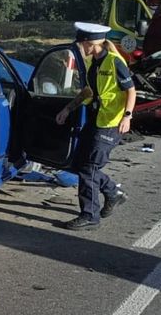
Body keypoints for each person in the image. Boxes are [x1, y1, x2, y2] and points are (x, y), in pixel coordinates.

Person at [55, 22, 137, 230]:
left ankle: (90, 216)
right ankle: (112, 192)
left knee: (89, 168)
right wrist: (67, 109)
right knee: (78, 164)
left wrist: (127, 116)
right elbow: (88, 92)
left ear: (90, 44)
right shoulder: (95, 63)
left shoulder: (114, 62)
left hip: (110, 123)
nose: (80, 48)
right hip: (96, 119)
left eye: (81, 44)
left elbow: (131, 91)